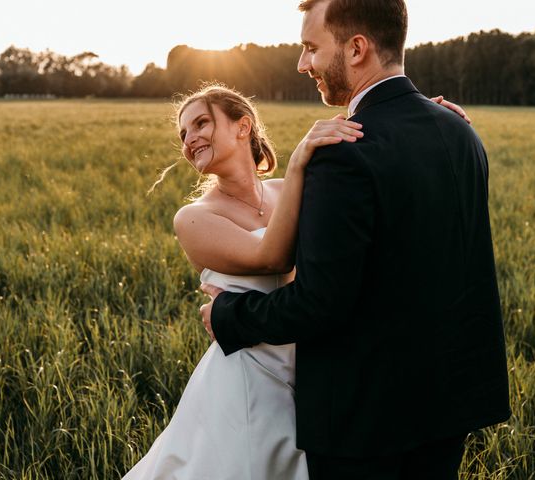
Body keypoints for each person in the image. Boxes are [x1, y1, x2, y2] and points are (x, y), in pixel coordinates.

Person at [200, 1, 511, 479]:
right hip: (451, 405)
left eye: (310, 48)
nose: (303, 64)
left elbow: (320, 302)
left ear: (358, 48)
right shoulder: (461, 131)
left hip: (366, 424)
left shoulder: (343, 152)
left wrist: (229, 315)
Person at [122, 81, 468, 478]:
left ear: (242, 126)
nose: (190, 139)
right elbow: (271, 257)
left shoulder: (285, 190)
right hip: (248, 377)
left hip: (312, 365)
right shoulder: (194, 217)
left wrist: (421, 117)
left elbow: (365, 204)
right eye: (183, 134)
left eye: (201, 123)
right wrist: (300, 158)